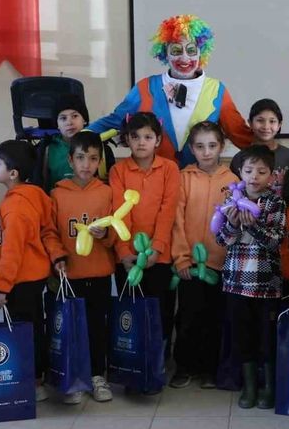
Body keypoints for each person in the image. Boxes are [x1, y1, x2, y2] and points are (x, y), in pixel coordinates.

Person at [87, 14, 252, 166]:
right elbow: (115, 120)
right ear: (165, 53)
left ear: (201, 53)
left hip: (200, 179)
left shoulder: (216, 90)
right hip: (154, 178)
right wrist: (83, 134)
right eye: (176, 50)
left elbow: (239, 133)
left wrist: (265, 149)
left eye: (191, 50)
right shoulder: (145, 87)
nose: (185, 58)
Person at [109, 112, 180, 393]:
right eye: (135, 136)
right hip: (127, 259)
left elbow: (167, 210)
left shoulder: (169, 169)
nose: (141, 142)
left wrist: (157, 247)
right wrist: (124, 252)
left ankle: (155, 369)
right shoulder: (118, 171)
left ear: (158, 141)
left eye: (148, 137)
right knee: (131, 315)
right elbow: (119, 213)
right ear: (127, 139)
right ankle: (133, 369)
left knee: (160, 313)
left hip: (159, 257)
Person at [0, 140, 66, 402]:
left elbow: (12, 252)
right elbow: (48, 231)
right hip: (35, 278)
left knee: (23, 331)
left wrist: (2, 287)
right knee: (35, 327)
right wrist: (56, 256)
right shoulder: (36, 196)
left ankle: (32, 381)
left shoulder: (15, 207)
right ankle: (37, 378)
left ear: (13, 173)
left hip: (19, 281)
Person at [216, 145, 286, 409]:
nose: (254, 176)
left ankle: (269, 387)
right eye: (248, 171)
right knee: (242, 336)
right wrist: (234, 224)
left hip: (266, 284)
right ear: (240, 172)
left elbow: (275, 241)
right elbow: (222, 240)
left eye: (261, 171)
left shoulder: (276, 202)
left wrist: (253, 226)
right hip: (236, 283)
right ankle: (249, 386)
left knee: (266, 337)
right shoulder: (231, 199)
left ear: (272, 175)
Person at [47, 132, 115, 404]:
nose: (86, 164)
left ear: (100, 162)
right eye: (80, 158)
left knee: (98, 328)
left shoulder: (107, 192)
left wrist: (106, 235)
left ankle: (97, 375)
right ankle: (73, 378)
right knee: (71, 330)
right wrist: (58, 257)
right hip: (69, 275)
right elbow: (49, 232)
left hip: (99, 273)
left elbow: (118, 230)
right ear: (70, 160)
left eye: (93, 158)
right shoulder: (57, 193)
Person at [170, 121, 239, 389]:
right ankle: (184, 367)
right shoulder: (183, 178)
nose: (206, 152)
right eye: (200, 146)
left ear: (222, 146)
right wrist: (181, 258)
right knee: (188, 317)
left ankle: (209, 369)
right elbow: (176, 221)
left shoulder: (233, 181)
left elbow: (235, 225)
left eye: (212, 145)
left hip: (220, 264)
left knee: (215, 318)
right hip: (190, 265)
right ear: (191, 148)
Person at [229, 98, 289, 193]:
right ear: (250, 123)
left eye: (272, 121)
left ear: (279, 125)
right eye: (260, 120)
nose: (266, 127)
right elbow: (234, 190)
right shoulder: (240, 158)